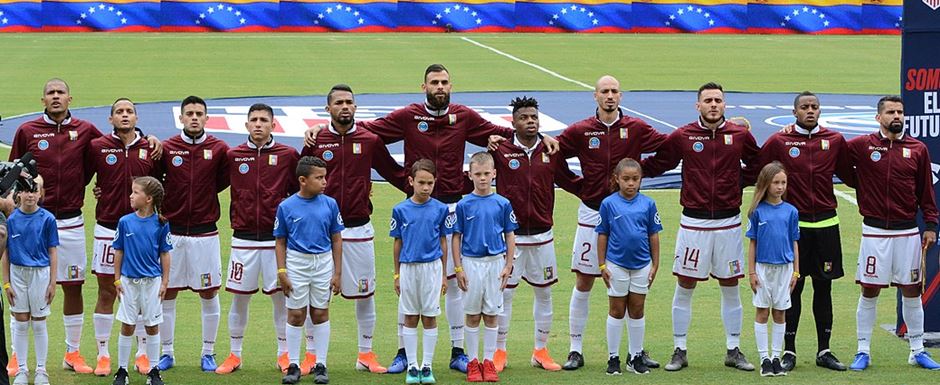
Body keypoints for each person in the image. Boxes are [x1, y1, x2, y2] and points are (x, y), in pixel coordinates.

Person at [305, 64, 558, 374]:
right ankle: (403, 352)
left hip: (453, 209)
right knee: (409, 280)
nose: (440, 87)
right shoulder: (408, 116)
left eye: (445, 82)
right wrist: (323, 129)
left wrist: (539, 136)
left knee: (453, 284)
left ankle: (457, 351)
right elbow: (366, 128)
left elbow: (505, 131)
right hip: (416, 210)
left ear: (451, 87)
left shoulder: (464, 116)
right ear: (423, 87)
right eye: (434, 82)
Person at [8, 79, 161, 376]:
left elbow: (117, 147)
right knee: (20, 285)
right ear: (43, 100)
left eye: (60, 93)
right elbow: (13, 170)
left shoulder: (86, 131)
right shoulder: (27, 131)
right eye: (50, 93)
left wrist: (148, 137)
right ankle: (17, 355)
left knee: (73, 285)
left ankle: (73, 352)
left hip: (70, 220)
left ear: (70, 98)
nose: (55, 97)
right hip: (30, 221)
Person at [642, 82, 760, 372]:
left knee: (730, 285)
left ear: (725, 105)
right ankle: (679, 349)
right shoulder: (684, 135)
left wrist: (736, 182)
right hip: (693, 223)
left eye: (718, 100)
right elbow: (659, 164)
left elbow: (758, 166)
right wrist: (625, 170)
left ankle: (733, 348)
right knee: (685, 284)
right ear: (698, 105)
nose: (713, 105)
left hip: (728, 223)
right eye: (707, 100)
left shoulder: (740, 135)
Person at [554, 75, 666, 371]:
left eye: (615, 91)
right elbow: (553, 155)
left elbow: (668, 148)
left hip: (629, 214)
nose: (610, 96)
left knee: (632, 286)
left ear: (621, 96)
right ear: (595, 96)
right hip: (592, 213)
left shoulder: (637, 128)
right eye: (604, 91)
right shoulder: (580, 131)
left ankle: (636, 351)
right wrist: (577, 186)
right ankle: (575, 349)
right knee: (584, 280)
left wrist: (644, 172)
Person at [301, 84, 408, 374]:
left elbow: (395, 173)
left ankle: (365, 353)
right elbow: (298, 180)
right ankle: (311, 355)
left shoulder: (369, 140)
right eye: (338, 103)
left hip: (359, 228)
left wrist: (426, 193)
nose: (345, 107)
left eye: (349, 102)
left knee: (366, 293)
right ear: (328, 109)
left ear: (356, 107)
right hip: (320, 231)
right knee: (315, 295)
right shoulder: (316, 140)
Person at [757, 92, 851, 371]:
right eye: (804, 107)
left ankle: (825, 350)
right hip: (792, 228)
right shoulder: (779, 141)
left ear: (820, 110)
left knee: (824, 289)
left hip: (826, 226)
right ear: (794, 111)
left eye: (814, 107)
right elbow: (757, 171)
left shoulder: (834, 140)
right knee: (791, 291)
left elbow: (851, 174)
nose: (810, 111)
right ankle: (789, 352)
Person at [845, 96, 940, 371]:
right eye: (890, 112)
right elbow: (836, 159)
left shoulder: (918, 149)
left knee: (911, 291)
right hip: (874, 232)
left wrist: (931, 225)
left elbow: (926, 191)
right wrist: (860, 183)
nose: (896, 116)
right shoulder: (862, 145)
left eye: (899, 111)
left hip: (907, 232)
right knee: (869, 290)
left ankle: (917, 349)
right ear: (878, 117)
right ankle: (863, 351)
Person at [489, 96, 581, 372]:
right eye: (524, 118)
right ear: (513, 122)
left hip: (543, 236)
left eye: (534, 117)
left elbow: (569, 181)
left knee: (544, 294)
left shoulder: (551, 150)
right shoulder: (500, 150)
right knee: (504, 295)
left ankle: (540, 350)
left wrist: (601, 195)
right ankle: (499, 351)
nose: (530, 121)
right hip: (510, 237)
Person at [215, 103, 301, 375]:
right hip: (243, 239)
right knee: (240, 299)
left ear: (274, 125)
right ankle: (234, 354)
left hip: (277, 241)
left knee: (281, 298)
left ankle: (284, 354)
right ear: (246, 125)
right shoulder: (234, 155)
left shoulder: (288, 155)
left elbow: (302, 189)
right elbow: (209, 184)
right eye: (254, 120)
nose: (258, 124)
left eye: (264, 120)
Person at [153, 96, 230, 373]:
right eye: (189, 113)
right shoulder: (167, 148)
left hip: (205, 233)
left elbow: (221, 182)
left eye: (199, 113)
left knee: (209, 293)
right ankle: (167, 352)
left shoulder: (219, 149)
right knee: (167, 293)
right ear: (181, 118)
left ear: (206, 118)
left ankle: (208, 352)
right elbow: (155, 181)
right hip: (171, 233)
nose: (194, 118)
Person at [85, 98, 160, 377]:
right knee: (106, 291)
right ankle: (103, 354)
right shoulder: (96, 147)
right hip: (107, 227)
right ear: (110, 119)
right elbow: (85, 177)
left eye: (129, 111)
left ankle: (142, 353)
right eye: (119, 112)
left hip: (142, 230)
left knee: (141, 295)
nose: (124, 115)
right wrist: (98, 190)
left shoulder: (151, 148)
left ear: (137, 117)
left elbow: (161, 186)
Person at [275, 156, 344, 385]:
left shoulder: (330, 204)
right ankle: (293, 365)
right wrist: (282, 272)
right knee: (296, 314)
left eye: (325, 177)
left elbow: (336, 239)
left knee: (320, 313)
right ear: (303, 180)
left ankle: (320, 364)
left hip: (322, 263)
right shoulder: (286, 206)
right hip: (296, 263)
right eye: (319, 178)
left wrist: (337, 273)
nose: (325, 182)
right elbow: (280, 241)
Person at [452, 152, 517, 383]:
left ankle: (488, 361)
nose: (482, 178)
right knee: (471, 314)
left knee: (491, 314)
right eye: (477, 174)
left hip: (494, 264)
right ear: (469, 175)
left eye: (486, 174)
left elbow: (510, 235)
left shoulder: (502, 203)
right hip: (471, 263)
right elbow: (456, 237)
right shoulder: (463, 204)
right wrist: (458, 268)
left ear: (494, 174)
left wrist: (508, 265)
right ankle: (473, 361)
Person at [596, 158, 661, 376]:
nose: (631, 184)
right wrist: (602, 264)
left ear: (641, 180)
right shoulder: (608, 203)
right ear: (617, 179)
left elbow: (653, 234)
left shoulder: (648, 204)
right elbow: (602, 234)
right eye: (626, 179)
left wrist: (655, 264)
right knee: (616, 310)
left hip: (642, 265)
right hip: (616, 265)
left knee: (637, 309)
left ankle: (635, 356)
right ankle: (613, 357)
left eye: (635, 179)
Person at [390, 159, 451, 384]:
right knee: (410, 316)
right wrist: (397, 274)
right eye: (421, 183)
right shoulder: (400, 210)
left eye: (430, 183)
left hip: (432, 268)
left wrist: (444, 273)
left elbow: (443, 241)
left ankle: (427, 366)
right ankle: (412, 366)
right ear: (411, 181)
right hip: (408, 268)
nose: (425, 188)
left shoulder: (441, 209)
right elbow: (397, 243)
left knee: (429, 316)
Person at [109, 176, 172, 385]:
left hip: (152, 282)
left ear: (149, 199)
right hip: (128, 282)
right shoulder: (125, 221)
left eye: (135, 192)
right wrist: (117, 279)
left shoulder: (161, 223)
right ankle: (122, 370)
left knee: (152, 325)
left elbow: (165, 254)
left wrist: (164, 282)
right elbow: (118, 251)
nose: (131, 195)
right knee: (127, 324)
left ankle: (154, 371)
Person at [745, 162, 800, 377]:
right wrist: (751, 272)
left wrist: (796, 271)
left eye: (783, 182)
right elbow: (752, 244)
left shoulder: (791, 211)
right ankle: (764, 359)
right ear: (766, 184)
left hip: (785, 270)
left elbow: (794, 242)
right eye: (776, 182)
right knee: (762, 311)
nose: (780, 187)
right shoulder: (757, 212)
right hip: (763, 269)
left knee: (780, 312)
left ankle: (776, 357)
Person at [3, 177, 57, 385]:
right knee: (21, 321)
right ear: (18, 195)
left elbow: (52, 252)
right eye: (25, 191)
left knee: (39, 322)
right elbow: (6, 254)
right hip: (18, 273)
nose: (30, 195)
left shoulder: (48, 219)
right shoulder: (11, 219)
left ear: (40, 194)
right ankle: (22, 370)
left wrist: (52, 282)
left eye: (34, 191)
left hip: (40, 274)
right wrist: (6, 282)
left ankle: (41, 370)